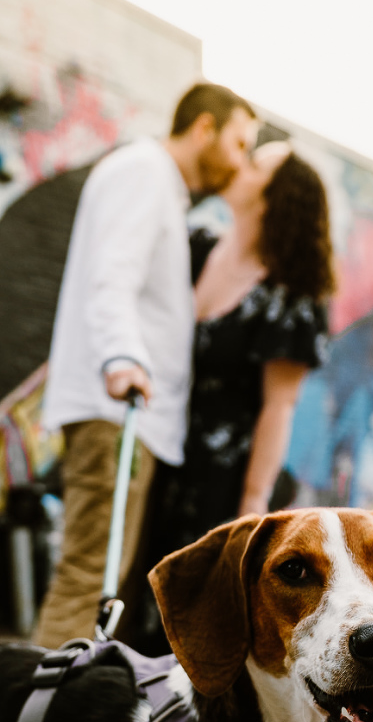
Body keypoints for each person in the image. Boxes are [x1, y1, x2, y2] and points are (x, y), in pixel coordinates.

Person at [33, 81, 257, 649]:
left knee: (108, 581)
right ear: (203, 128)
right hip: (117, 411)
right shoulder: (143, 173)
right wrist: (124, 357)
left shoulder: (160, 186)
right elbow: (112, 275)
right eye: (238, 143)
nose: (241, 161)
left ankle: (66, 716)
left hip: (130, 417)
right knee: (90, 574)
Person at [131, 142, 335, 649]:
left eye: (255, 163)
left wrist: (252, 504)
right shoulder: (197, 247)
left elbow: (278, 406)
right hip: (162, 449)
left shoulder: (287, 294)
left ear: (273, 196)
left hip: (224, 475)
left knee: (194, 621)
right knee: (139, 599)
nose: (238, 165)